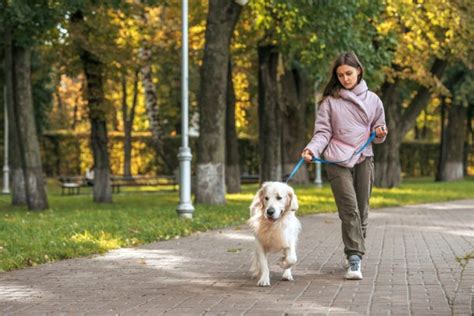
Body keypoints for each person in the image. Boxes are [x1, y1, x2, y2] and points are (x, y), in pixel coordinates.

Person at [302, 52, 388, 280]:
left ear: (358, 71)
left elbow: (379, 131)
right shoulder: (330, 102)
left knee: (362, 211)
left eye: (349, 74)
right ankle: (354, 258)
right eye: (340, 75)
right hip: (336, 160)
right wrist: (312, 149)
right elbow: (322, 133)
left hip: (364, 158)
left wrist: (379, 133)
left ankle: (355, 248)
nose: (345, 79)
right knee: (349, 210)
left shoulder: (374, 100)